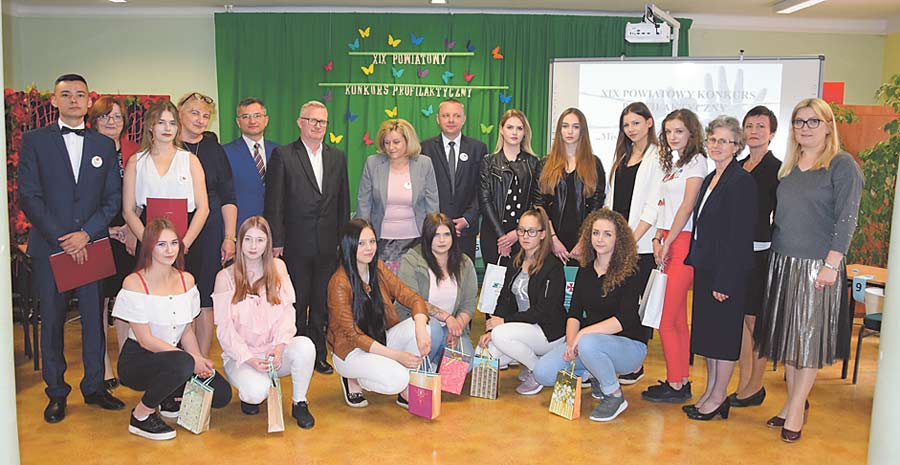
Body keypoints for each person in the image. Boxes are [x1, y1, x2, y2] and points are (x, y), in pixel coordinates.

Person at [754, 98, 863, 443]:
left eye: (813, 121)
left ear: (828, 126)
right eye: (799, 122)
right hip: (783, 262)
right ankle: (792, 403)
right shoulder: (789, 167)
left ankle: (796, 411)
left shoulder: (842, 165)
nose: (805, 128)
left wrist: (832, 264)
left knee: (808, 342)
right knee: (790, 340)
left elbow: (847, 219)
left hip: (818, 266)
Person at [18, 73, 125, 423]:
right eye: (66, 95)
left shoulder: (103, 145)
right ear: (54, 100)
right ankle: (56, 392)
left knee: (94, 320)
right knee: (51, 322)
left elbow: (112, 199)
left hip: (91, 245)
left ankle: (94, 386)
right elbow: (29, 196)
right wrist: (65, 237)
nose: (74, 100)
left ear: (88, 100)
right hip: (52, 247)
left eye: (80, 94)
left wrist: (86, 234)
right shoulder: (35, 141)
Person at [113, 218, 232, 441]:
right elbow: (146, 340)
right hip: (139, 359)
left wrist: (198, 358)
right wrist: (190, 361)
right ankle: (141, 415)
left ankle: (168, 396)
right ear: (149, 246)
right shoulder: (134, 283)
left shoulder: (187, 280)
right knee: (183, 363)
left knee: (221, 394)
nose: (170, 250)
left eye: (174, 243)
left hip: (176, 358)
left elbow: (186, 331)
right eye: (161, 244)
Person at [533, 209, 648, 422]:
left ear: (619, 238)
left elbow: (624, 320)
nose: (600, 239)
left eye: (607, 234)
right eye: (596, 233)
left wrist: (582, 335)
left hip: (629, 346)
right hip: (589, 345)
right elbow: (574, 313)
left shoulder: (630, 271)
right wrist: (570, 345)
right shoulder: (584, 271)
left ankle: (614, 395)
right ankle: (594, 373)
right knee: (542, 372)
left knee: (588, 343)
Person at [266, 100, 351, 375]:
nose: (317, 126)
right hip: (294, 244)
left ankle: (318, 354)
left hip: (328, 245)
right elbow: (274, 202)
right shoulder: (283, 155)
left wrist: (343, 241)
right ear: (300, 123)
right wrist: (276, 241)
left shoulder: (337, 157)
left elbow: (343, 201)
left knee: (321, 303)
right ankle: (295, 354)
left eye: (322, 121)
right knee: (297, 301)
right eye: (312, 120)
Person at [682, 116, 757, 421]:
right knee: (710, 338)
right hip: (707, 269)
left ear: (737, 146)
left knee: (723, 339)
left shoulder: (741, 182)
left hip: (727, 274)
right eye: (712, 139)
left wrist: (726, 280)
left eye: (724, 141)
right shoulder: (712, 178)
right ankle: (711, 392)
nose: (716, 145)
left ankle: (718, 396)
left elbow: (739, 237)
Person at [212, 216, 316, 429]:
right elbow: (225, 331)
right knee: (255, 393)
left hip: (273, 352)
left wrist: (279, 348)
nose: (253, 246)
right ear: (239, 242)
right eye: (248, 239)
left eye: (259, 240)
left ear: (268, 243)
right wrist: (250, 360)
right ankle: (252, 389)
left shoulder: (278, 268)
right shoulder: (225, 277)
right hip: (242, 357)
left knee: (306, 346)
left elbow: (287, 314)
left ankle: (299, 402)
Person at [326, 219, 432, 408]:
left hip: (379, 340)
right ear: (349, 245)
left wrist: (421, 327)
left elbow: (412, 297)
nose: (369, 248)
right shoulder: (339, 283)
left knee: (423, 328)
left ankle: (403, 391)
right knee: (398, 379)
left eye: (372, 241)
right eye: (361, 243)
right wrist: (397, 356)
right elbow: (353, 335)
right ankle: (354, 378)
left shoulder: (378, 268)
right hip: (351, 351)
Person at [641, 109, 708, 404]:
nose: (672, 137)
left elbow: (687, 206)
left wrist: (668, 242)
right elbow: (663, 206)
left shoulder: (697, 161)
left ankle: (675, 382)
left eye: (679, 131)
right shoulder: (674, 163)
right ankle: (680, 380)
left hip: (683, 241)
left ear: (692, 132)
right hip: (668, 238)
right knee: (677, 317)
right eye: (668, 132)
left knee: (666, 319)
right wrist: (658, 238)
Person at [605, 102, 665, 386]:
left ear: (650, 123)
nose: (631, 129)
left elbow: (653, 206)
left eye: (636, 123)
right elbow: (612, 199)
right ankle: (620, 358)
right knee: (618, 303)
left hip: (641, 247)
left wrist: (629, 239)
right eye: (626, 124)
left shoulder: (658, 157)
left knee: (637, 306)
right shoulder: (622, 156)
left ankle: (635, 364)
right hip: (618, 244)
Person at [479, 207, 567, 395]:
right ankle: (528, 359)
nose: (525, 236)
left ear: (543, 234)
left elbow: (544, 311)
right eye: (521, 230)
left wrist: (504, 323)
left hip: (549, 332)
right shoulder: (515, 262)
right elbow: (503, 300)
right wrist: (490, 329)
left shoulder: (553, 267)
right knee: (483, 354)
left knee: (501, 335)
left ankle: (537, 370)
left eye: (532, 231)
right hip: (522, 328)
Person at [177, 92, 238, 358]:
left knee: (205, 297)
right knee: (179, 297)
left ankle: (200, 362)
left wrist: (229, 237)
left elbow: (228, 197)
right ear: (179, 113)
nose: (200, 120)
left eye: (205, 115)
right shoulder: (168, 146)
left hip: (211, 230)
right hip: (175, 230)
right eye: (194, 113)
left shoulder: (215, 150)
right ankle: (179, 359)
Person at [729, 106, 781, 409]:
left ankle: (755, 385)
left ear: (772, 133)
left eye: (761, 126)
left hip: (761, 255)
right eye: (749, 126)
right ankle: (743, 383)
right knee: (739, 323)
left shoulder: (779, 169)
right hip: (734, 254)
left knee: (755, 322)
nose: (754, 131)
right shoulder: (737, 166)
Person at [88, 95, 141, 390]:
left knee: (126, 298)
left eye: (118, 116)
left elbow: (142, 195)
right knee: (99, 300)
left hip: (129, 233)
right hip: (96, 233)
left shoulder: (135, 152)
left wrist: (132, 229)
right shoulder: (86, 150)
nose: (112, 121)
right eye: (105, 116)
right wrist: (105, 231)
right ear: (94, 121)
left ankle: (126, 360)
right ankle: (104, 364)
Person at [122, 100, 209, 272]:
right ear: (150, 126)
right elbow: (128, 211)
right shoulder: (136, 161)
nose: (167, 128)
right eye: (161, 122)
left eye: (172, 123)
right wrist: (149, 243)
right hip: (148, 234)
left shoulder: (190, 160)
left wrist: (183, 244)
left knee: (183, 284)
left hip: (185, 235)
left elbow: (203, 209)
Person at [355, 118, 439, 272]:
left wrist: (433, 236)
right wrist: (362, 236)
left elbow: (432, 204)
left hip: (416, 239)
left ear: (408, 141)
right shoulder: (372, 163)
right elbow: (364, 203)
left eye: (396, 142)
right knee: (382, 283)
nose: (391, 147)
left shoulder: (424, 163)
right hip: (380, 240)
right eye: (386, 142)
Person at [396, 213, 478, 366]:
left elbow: (469, 303)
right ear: (427, 237)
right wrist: (447, 317)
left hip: (450, 328)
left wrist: (456, 328)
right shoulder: (412, 259)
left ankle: (434, 364)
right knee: (433, 329)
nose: (442, 240)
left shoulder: (465, 263)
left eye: (446, 234)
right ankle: (421, 368)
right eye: (436, 235)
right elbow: (413, 300)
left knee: (465, 364)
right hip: (418, 323)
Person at [534, 107, 606, 265]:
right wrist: (552, 240)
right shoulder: (545, 164)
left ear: (582, 131)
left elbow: (597, 207)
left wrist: (584, 241)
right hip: (551, 241)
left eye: (576, 127)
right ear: (559, 130)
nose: (570, 131)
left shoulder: (594, 164)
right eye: (565, 126)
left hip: (583, 243)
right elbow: (540, 206)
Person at [419, 99, 488, 260]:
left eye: (456, 115)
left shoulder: (478, 148)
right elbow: (422, 189)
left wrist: (467, 219)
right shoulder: (425, 148)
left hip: (465, 230)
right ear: (438, 119)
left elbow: (483, 189)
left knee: (464, 273)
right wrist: (438, 221)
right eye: (446, 115)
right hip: (435, 229)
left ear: (464, 119)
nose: (451, 120)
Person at [479, 109, 540, 266]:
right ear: (501, 129)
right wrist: (502, 237)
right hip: (494, 234)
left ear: (525, 132)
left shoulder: (534, 163)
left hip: (524, 234)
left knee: (521, 278)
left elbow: (536, 202)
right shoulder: (488, 161)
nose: (514, 132)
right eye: (510, 127)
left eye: (519, 128)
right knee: (495, 279)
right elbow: (485, 201)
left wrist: (518, 232)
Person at [223, 97, 280, 228]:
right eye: (246, 116)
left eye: (257, 116)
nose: (252, 121)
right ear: (238, 122)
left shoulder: (279, 151)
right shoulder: (225, 153)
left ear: (266, 120)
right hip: (241, 227)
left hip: (273, 228)